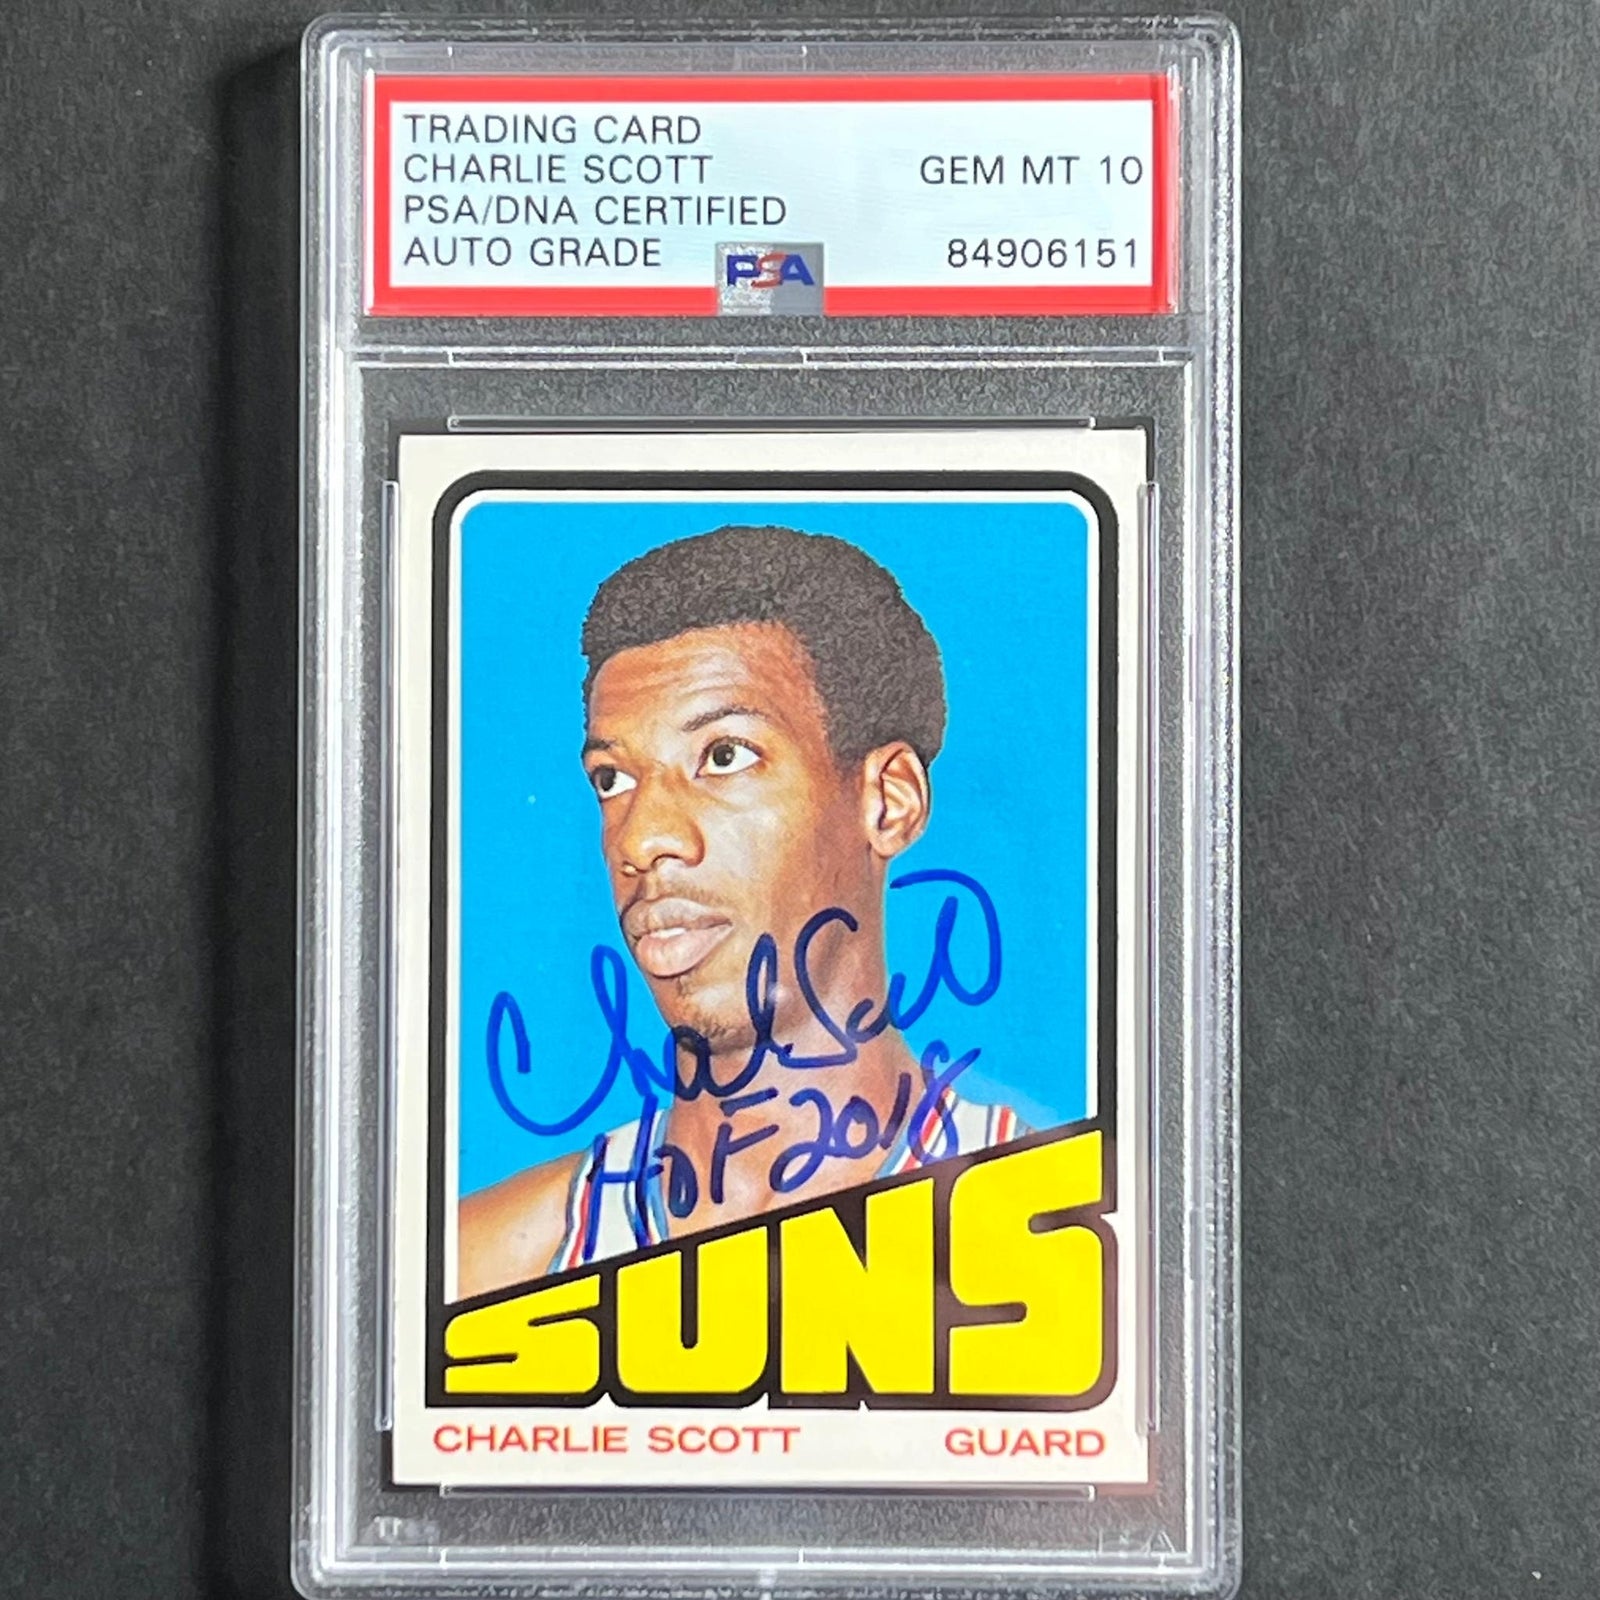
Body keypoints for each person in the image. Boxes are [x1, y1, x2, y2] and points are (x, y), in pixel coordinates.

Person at [458, 524, 1027, 1298]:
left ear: (888, 801)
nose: (643, 839)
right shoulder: (484, 1272)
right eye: (613, 778)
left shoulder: (1063, 1250)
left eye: (724, 756)